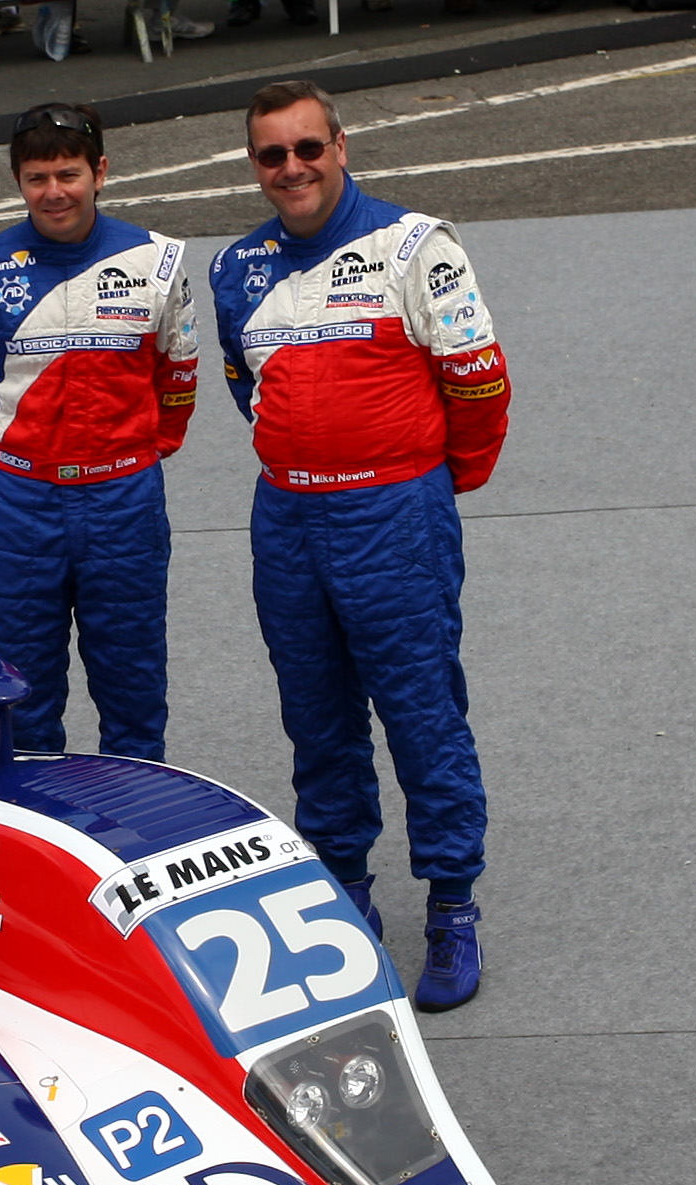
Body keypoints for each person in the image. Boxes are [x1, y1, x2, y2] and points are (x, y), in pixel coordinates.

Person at [210, 79, 511, 1010]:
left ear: (340, 146)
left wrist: (423, 482)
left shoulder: (416, 245)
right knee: (317, 719)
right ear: (255, 165)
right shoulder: (233, 267)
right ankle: (345, 904)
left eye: (307, 148)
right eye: (272, 155)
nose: (291, 168)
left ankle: (452, 907)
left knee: (422, 712)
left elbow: (479, 385)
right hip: (289, 519)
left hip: (393, 517)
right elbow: (241, 385)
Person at [0, 101, 199, 759]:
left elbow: (179, 377)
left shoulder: (156, 262)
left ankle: (134, 835)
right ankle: (36, 848)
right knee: (20, 696)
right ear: (18, 182)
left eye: (68, 174)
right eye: (37, 178)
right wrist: (10, 460)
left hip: (122, 502)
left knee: (133, 690)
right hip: (19, 505)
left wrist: (129, 453)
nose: (54, 192)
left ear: (98, 172)